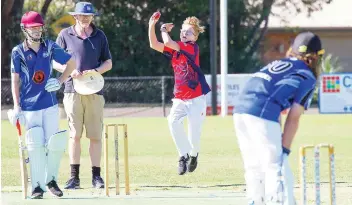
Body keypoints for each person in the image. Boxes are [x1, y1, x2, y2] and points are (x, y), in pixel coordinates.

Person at [233, 31, 325, 205]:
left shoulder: (280, 62)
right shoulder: (307, 76)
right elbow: (294, 118)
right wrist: (284, 150)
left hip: (240, 110)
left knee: (254, 165)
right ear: (314, 57)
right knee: (276, 165)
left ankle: (255, 200)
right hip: (262, 112)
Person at [7, 11, 76, 199]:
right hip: (28, 106)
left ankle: (51, 180)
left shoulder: (50, 46)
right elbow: (15, 81)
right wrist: (16, 106)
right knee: (35, 145)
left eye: (39, 27)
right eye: (33, 28)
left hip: (49, 104)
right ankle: (37, 186)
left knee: (54, 144)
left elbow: (72, 62)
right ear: (25, 29)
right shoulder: (18, 52)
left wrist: (61, 80)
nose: (37, 31)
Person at [53, 2, 112, 189]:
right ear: (75, 16)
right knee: (75, 135)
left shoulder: (99, 35)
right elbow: (55, 61)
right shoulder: (64, 35)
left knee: (95, 136)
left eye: (88, 16)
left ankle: (96, 177)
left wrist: (95, 70)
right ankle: (74, 178)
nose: (85, 19)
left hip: (94, 90)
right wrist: (70, 71)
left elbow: (108, 62)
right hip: (72, 90)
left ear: (92, 17)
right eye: (81, 15)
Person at [148, 12, 211, 175]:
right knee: (173, 122)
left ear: (195, 37)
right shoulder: (175, 50)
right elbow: (154, 44)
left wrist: (163, 29)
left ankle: (193, 155)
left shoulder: (191, 47)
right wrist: (151, 25)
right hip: (180, 98)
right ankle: (183, 156)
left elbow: (167, 40)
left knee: (194, 136)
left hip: (196, 99)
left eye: (189, 32)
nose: (184, 33)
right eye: (183, 30)